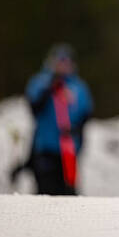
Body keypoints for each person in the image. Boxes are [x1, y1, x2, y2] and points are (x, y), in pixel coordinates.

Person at [24, 43, 93, 195]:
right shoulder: (40, 82)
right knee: (45, 194)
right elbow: (34, 108)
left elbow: (85, 116)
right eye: (59, 61)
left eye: (67, 62)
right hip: (45, 149)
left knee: (69, 195)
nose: (63, 65)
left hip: (69, 151)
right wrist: (51, 88)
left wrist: (75, 131)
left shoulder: (78, 87)